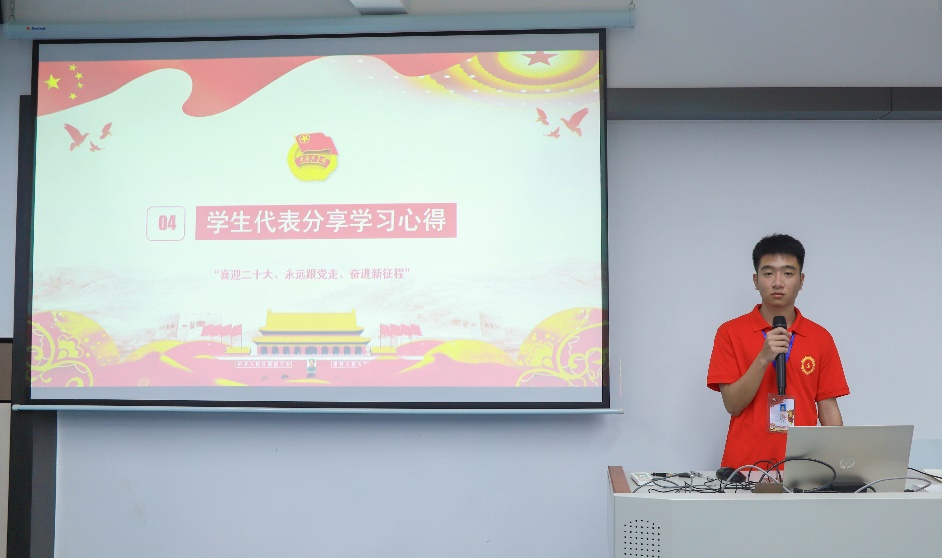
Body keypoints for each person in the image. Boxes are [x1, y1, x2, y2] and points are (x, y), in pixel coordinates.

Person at [706, 234, 849, 469]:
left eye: (788, 273)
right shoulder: (730, 332)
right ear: (756, 280)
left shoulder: (820, 337)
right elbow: (733, 404)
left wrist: (842, 465)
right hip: (744, 468)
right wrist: (763, 357)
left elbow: (828, 408)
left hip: (803, 468)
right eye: (768, 273)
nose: (778, 282)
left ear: (801, 280)